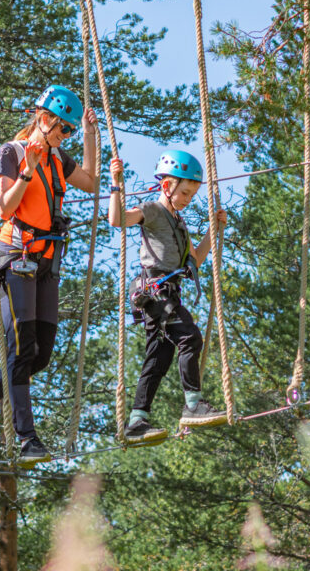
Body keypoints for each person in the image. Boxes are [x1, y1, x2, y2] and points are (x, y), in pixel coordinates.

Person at [0, 84, 100, 466]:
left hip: (47, 261)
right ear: (44, 119)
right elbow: (4, 207)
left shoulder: (59, 159)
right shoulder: (11, 153)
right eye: (63, 128)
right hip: (16, 255)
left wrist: (92, 138)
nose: (65, 135)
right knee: (20, 348)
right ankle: (27, 437)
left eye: (70, 131)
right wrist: (28, 173)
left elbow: (93, 184)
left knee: (40, 353)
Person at [107, 150, 228, 445]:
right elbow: (117, 219)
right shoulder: (151, 210)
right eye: (185, 192)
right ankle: (193, 404)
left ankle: (137, 420)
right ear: (166, 187)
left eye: (192, 194)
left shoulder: (179, 223)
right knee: (190, 338)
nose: (188, 199)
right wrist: (114, 184)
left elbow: (196, 259)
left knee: (159, 357)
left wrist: (215, 228)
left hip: (168, 292)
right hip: (156, 291)